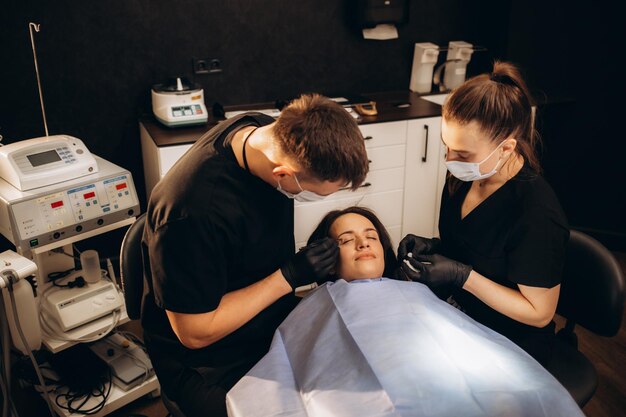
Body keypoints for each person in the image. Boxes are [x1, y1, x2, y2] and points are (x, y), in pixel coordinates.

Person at [226, 206, 583, 417]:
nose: (364, 242)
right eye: (347, 240)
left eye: (370, 235)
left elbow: (469, 349)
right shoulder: (314, 307)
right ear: (326, 262)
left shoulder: (416, 292)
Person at [140, 94, 370, 417]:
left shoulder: (267, 132)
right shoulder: (191, 211)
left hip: (263, 320)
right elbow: (194, 332)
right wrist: (288, 276)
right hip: (205, 361)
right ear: (283, 174)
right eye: (315, 194)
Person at [398, 61, 569, 366]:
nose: (450, 160)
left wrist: (463, 277)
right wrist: (435, 247)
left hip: (511, 341)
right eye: (446, 147)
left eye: (462, 154)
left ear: (506, 149)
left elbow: (539, 313)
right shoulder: (462, 179)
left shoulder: (537, 212)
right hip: (460, 316)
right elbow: (475, 246)